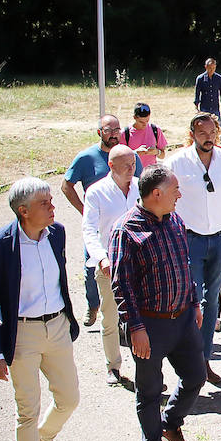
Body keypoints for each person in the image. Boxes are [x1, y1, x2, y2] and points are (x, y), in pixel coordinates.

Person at [0, 177, 82, 441]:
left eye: (52, 200)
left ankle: (44, 438)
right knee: (27, 411)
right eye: (45, 203)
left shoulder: (58, 234)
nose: (53, 206)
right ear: (23, 212)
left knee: (69, 399)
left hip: (56, 327)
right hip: (21, 335)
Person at [109, 165, 206, 441]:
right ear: (156, 194)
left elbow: (186, 264)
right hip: (149, 325)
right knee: (150, 391)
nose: (180, 194)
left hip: (183, 318)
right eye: (175, 189)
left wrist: (194, 302)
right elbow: (121, 284)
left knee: (195, 376)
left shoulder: (176, 220)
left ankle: (171, 423)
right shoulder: (127, 229)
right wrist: (135, 328)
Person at [167, 113, 221, 384]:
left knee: (212, 302)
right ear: (192, 134)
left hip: (219, 238)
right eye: (202, 133)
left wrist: (219, 220)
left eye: (212, 132)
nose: (208, 137)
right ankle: (188, 364)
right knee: (191, 301)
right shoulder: (177, 162)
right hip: (189, 239)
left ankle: (205, 359)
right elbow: (168, 200)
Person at [61, 115, 143, 327]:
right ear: (100, 133)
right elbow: (66, 185)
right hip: (100, 229)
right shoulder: (86, 158)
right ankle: (93, 305)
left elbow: (142, 187)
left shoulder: (129, 156)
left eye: (117, 129)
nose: (114, 133)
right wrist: (84, 210)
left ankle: (124, 323)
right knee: (93, 273)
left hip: (129, 234)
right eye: (109, 130)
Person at [80, 144, 140, 386]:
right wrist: (101, 257)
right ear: (111, 166)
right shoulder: (96, 192)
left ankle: (145, 370)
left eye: (133, 164)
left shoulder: (140, 186)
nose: (131, 170)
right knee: (110, 319)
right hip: (110, 267)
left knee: (141, 319)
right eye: (126, 166)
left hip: (140, 265)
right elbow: (89, 230)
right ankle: (113, 366)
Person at [122, 102, 167, 169]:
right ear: (134, 117)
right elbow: (120, 158)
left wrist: (157, 152)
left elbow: (162, 155)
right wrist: (135, 153)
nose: (145, 124)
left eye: (147, 121)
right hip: (132, 174)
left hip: (150, 173)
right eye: (141, 122)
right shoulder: (125, 133)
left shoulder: (155, 130)